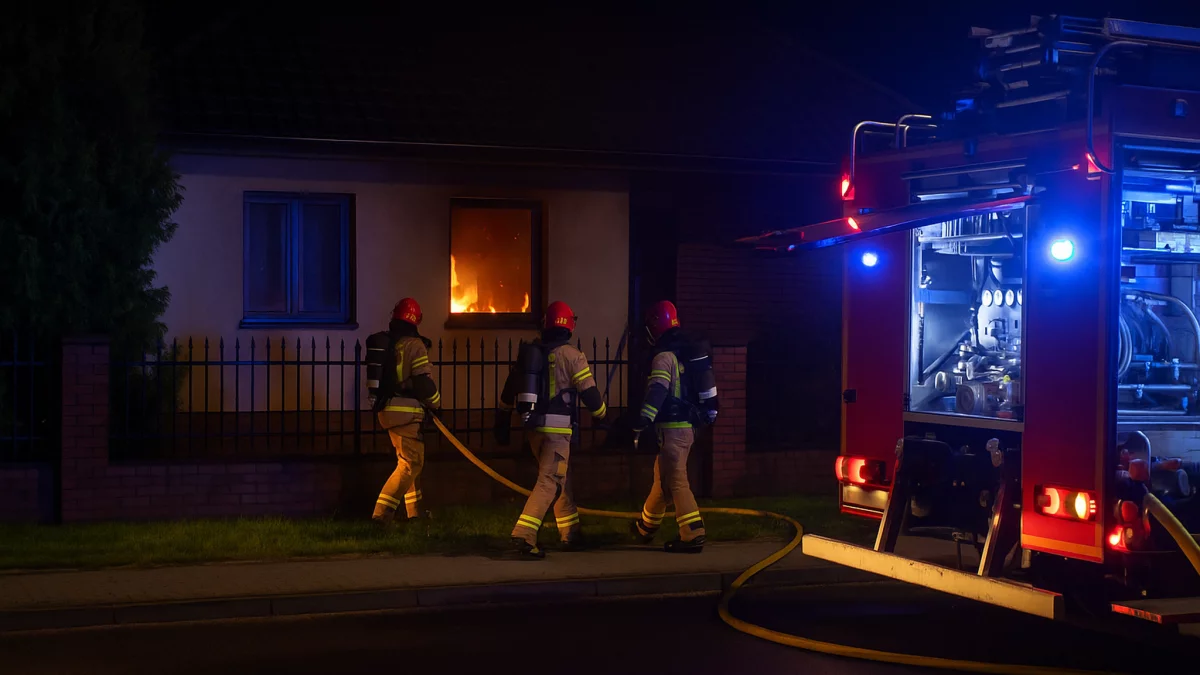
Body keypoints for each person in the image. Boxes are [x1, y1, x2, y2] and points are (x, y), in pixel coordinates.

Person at [494, 301, 609, 558]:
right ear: (569, 326)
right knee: (550, 481)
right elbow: (590, 395)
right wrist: (602, 416)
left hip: (533, 428)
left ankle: (571, 533)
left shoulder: (531, 354)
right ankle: (523, 535)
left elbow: (509, 389)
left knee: (561, 478)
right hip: (558, 431)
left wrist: (502, 417)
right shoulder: (573, 356)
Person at [630, 300, 720, 553]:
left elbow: (657, 391)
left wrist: (643, 420)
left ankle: (693, 534)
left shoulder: (663, 357)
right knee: (663, 480)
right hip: (687, 427)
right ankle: (645, 528)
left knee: (677, 480)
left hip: (672, 429)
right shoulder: (685, 353)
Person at [366, 298, 442, 525]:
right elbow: (423, 383)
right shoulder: (414, 345)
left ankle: (415, 513)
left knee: (409, 462)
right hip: (406, 413)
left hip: (388, 410)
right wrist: (437, 404)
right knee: (410, 464)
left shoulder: (391, 343)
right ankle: (381, 516)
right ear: (416, 319)